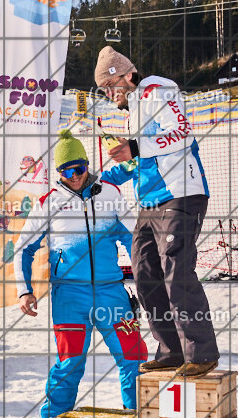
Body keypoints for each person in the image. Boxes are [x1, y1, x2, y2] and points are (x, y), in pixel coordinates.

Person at [15, 130, 147, 418]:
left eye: (78, 169)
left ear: (87, 166)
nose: (73, 177)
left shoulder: (111, 194)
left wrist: (150, 278)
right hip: (69, 298)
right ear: (57, 172)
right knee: (70, 364)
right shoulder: (49, 203)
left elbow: (134, 237)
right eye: (65, 171)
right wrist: (24, 291)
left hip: (111, 293)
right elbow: (23, 249)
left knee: (134, 357)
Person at [94, 46, 219, 377]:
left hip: (180, 194)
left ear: (126, 75)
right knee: (145, 271)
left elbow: (180, 135)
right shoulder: (133, 111)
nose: (109, 95)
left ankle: (201, 352)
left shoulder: (157, 89)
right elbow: (142, 162)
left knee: (176, 270)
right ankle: (171, 351)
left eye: (110, 87)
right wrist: (100, 178)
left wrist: (134, 146)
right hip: (149, 201)